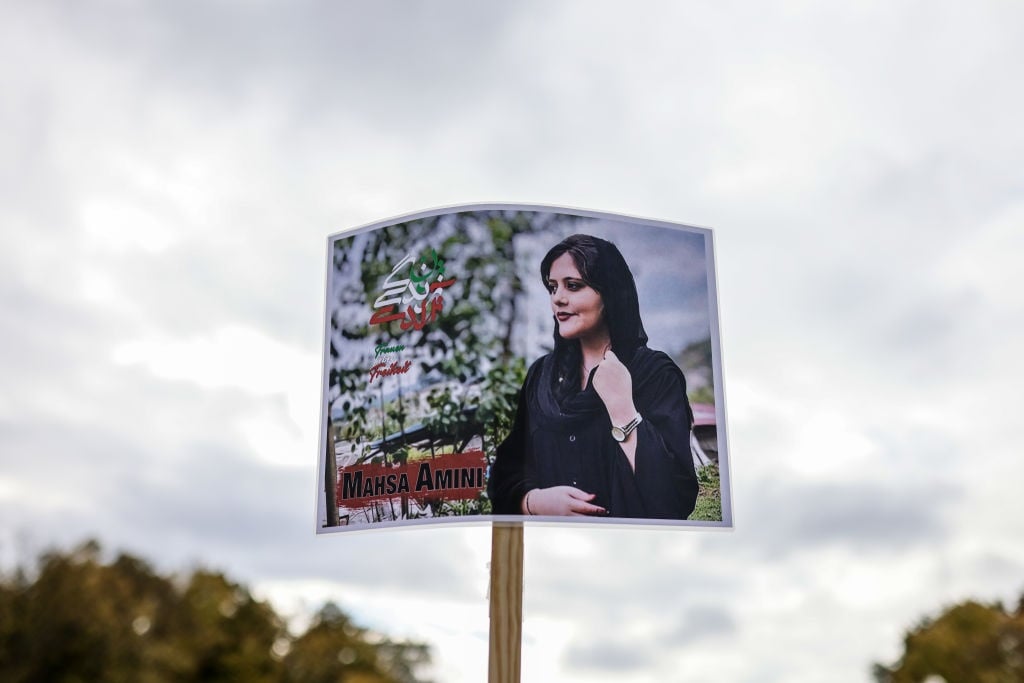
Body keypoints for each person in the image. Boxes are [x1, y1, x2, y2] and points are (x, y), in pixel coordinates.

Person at [488, 234, 699, 519]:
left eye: (573, 286)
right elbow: (506, 472)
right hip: (550, 551)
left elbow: (675, 499)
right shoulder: (541, 377)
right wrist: (535, 502)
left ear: (610, 293)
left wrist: (623, 410)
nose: (558, 299)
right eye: (552, 287)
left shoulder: (655, 375)